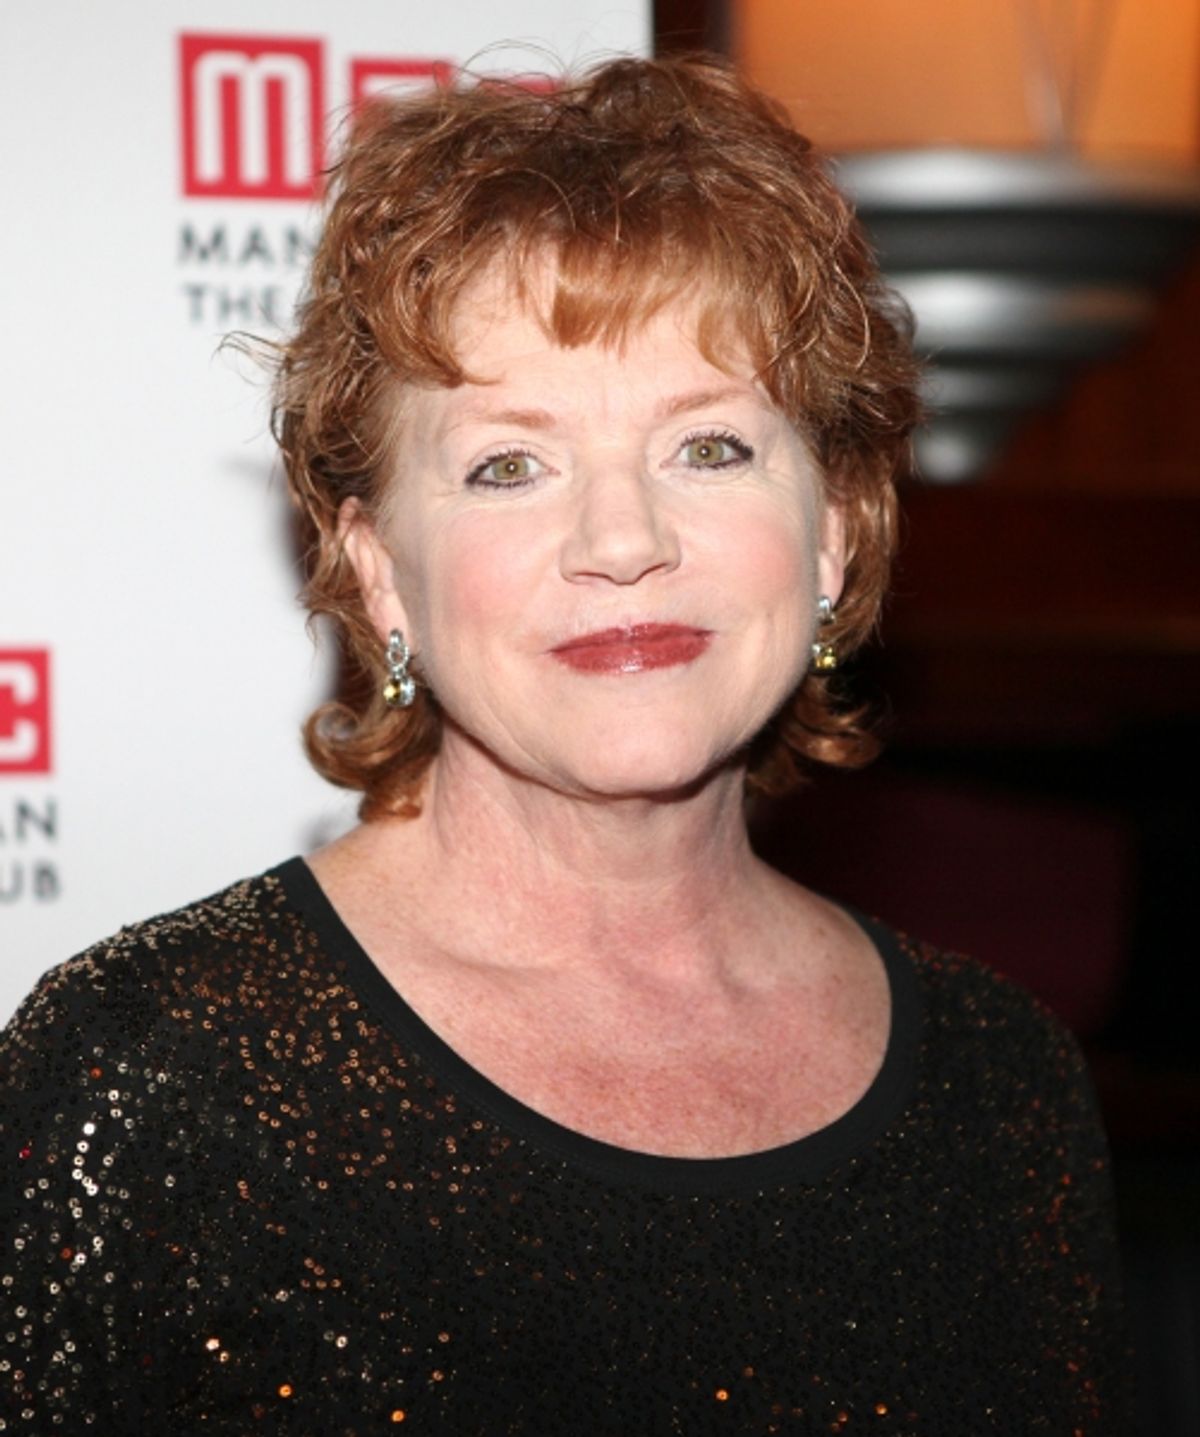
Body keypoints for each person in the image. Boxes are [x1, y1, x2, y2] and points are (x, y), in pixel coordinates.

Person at [1, 54, 1131, 1434]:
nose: (623, 543)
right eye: (508, 465)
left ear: (833, 529)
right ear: (378, 575)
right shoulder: (152, 1074)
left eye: (708, 447)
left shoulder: (1003, 1089)